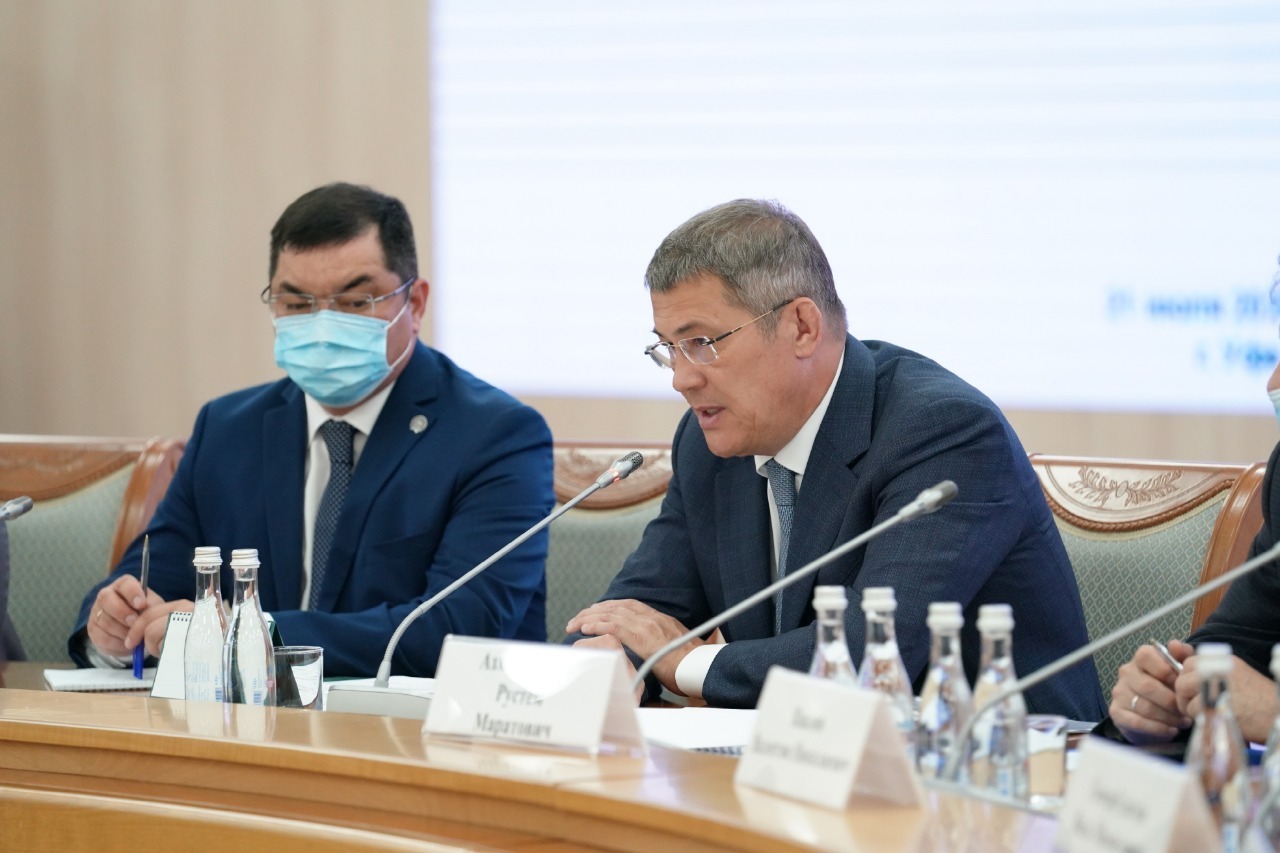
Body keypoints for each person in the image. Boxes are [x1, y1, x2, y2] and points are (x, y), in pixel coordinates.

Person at [566, 198, 1105, 718]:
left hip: (1004, 758)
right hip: (792, 754)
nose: (682, 379)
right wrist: (606, 659)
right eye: (668, 349)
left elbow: (873, 649)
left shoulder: (942, 431)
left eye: (702, 343)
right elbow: (636, 609)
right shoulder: (710, 443)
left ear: (802, 326)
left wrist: (687, 664)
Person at [71, 182, 554, 677]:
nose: (324, 326)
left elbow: (459, 628)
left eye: (355, 302)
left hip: (417, 721)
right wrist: (114, 629)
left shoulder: (497, 436)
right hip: (244, 719)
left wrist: (252, 634)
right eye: (297, 305)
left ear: (415, 303)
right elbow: (148, 581)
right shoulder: (227, 429)